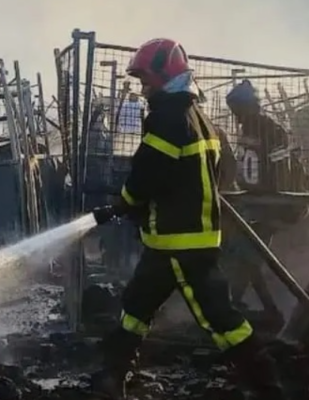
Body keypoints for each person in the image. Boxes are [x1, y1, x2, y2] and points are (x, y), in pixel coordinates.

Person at [89, 38, 285, 399]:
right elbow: (208, 174)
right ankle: (112, 377)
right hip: (173, 242)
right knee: (135, 307)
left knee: (221, 320)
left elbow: (146, 176)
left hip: (181, 243)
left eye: (145, 80)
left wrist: (124, 204)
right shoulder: (200, 119)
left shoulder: (166, 119)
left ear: (163, 76)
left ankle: (267, 387)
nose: (143, 88)